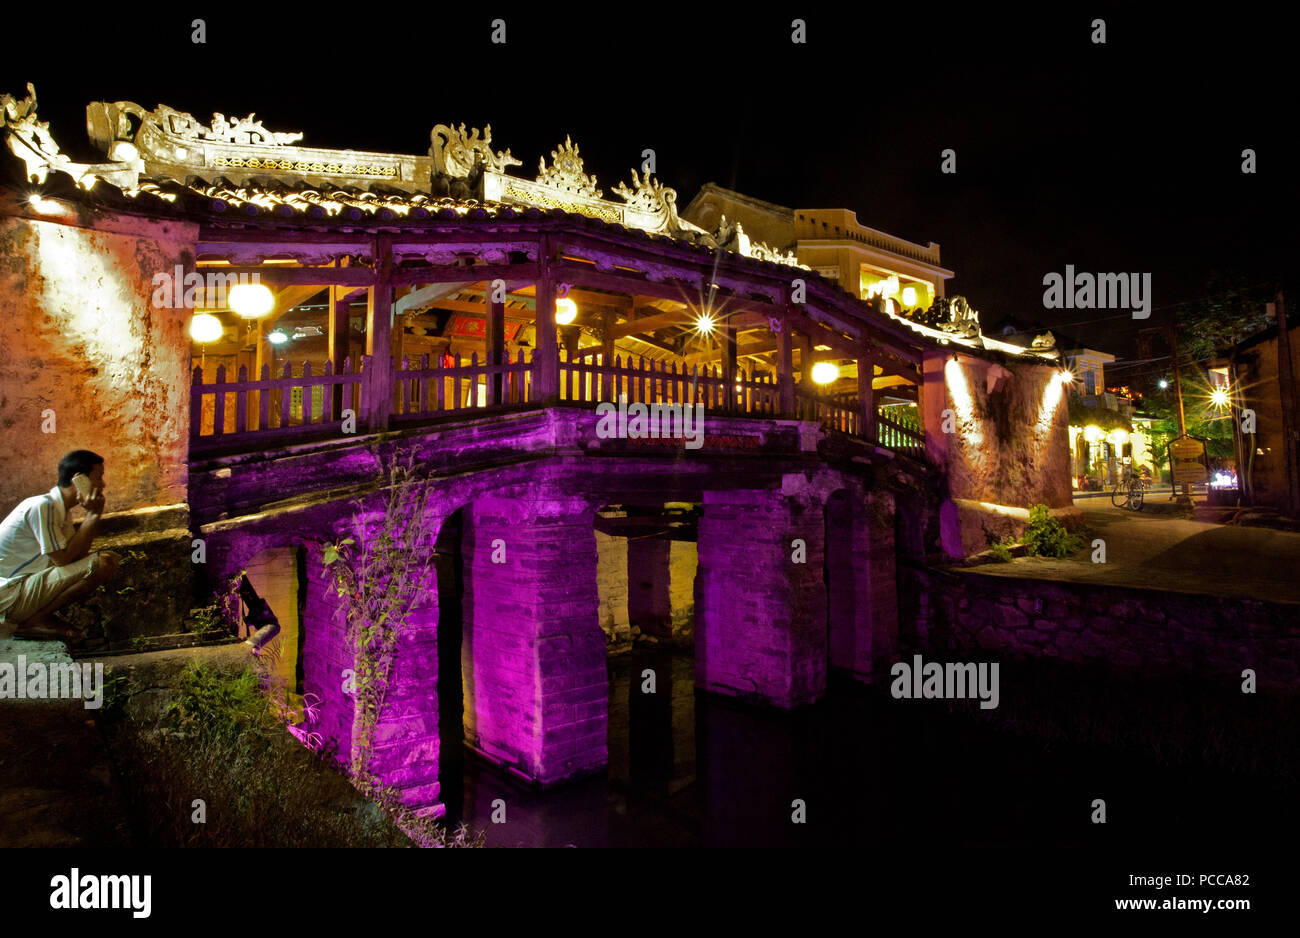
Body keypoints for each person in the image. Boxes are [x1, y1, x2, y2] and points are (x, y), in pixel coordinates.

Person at [0, 450, 120, 641]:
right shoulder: (42, 506)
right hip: (9, 596)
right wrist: (93, 515)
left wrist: (95, 513)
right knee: (104, 563)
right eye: (99, 477)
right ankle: (34, 620)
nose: (102, 484)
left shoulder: (60, 511)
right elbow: (62, 560)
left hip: (18, 590)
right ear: (79, 479)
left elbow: (79, 555)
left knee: (105, 561)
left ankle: (36, 618)